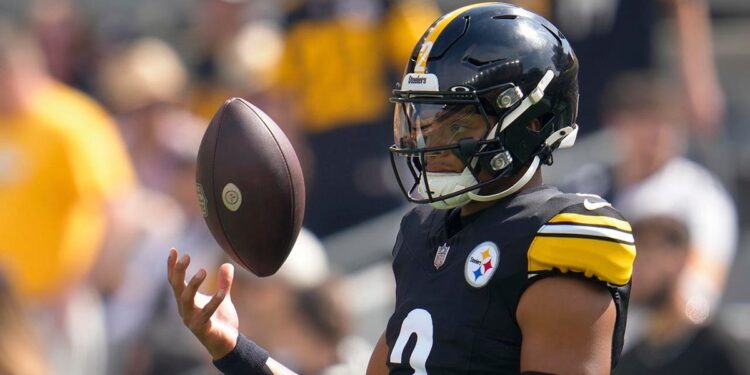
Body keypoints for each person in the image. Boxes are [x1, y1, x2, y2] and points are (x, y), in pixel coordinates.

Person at [167, 3, 636, 374]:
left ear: (532, 121)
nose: (426, 141)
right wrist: (233, 350)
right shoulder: (423, 234)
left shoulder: (563, 234)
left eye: (454, 123)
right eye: (423, 119)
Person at [615, 215, 747, 375]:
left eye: (646, 258)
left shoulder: (720, 350)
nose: (634, 271)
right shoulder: (629, 362)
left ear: (681, 258)